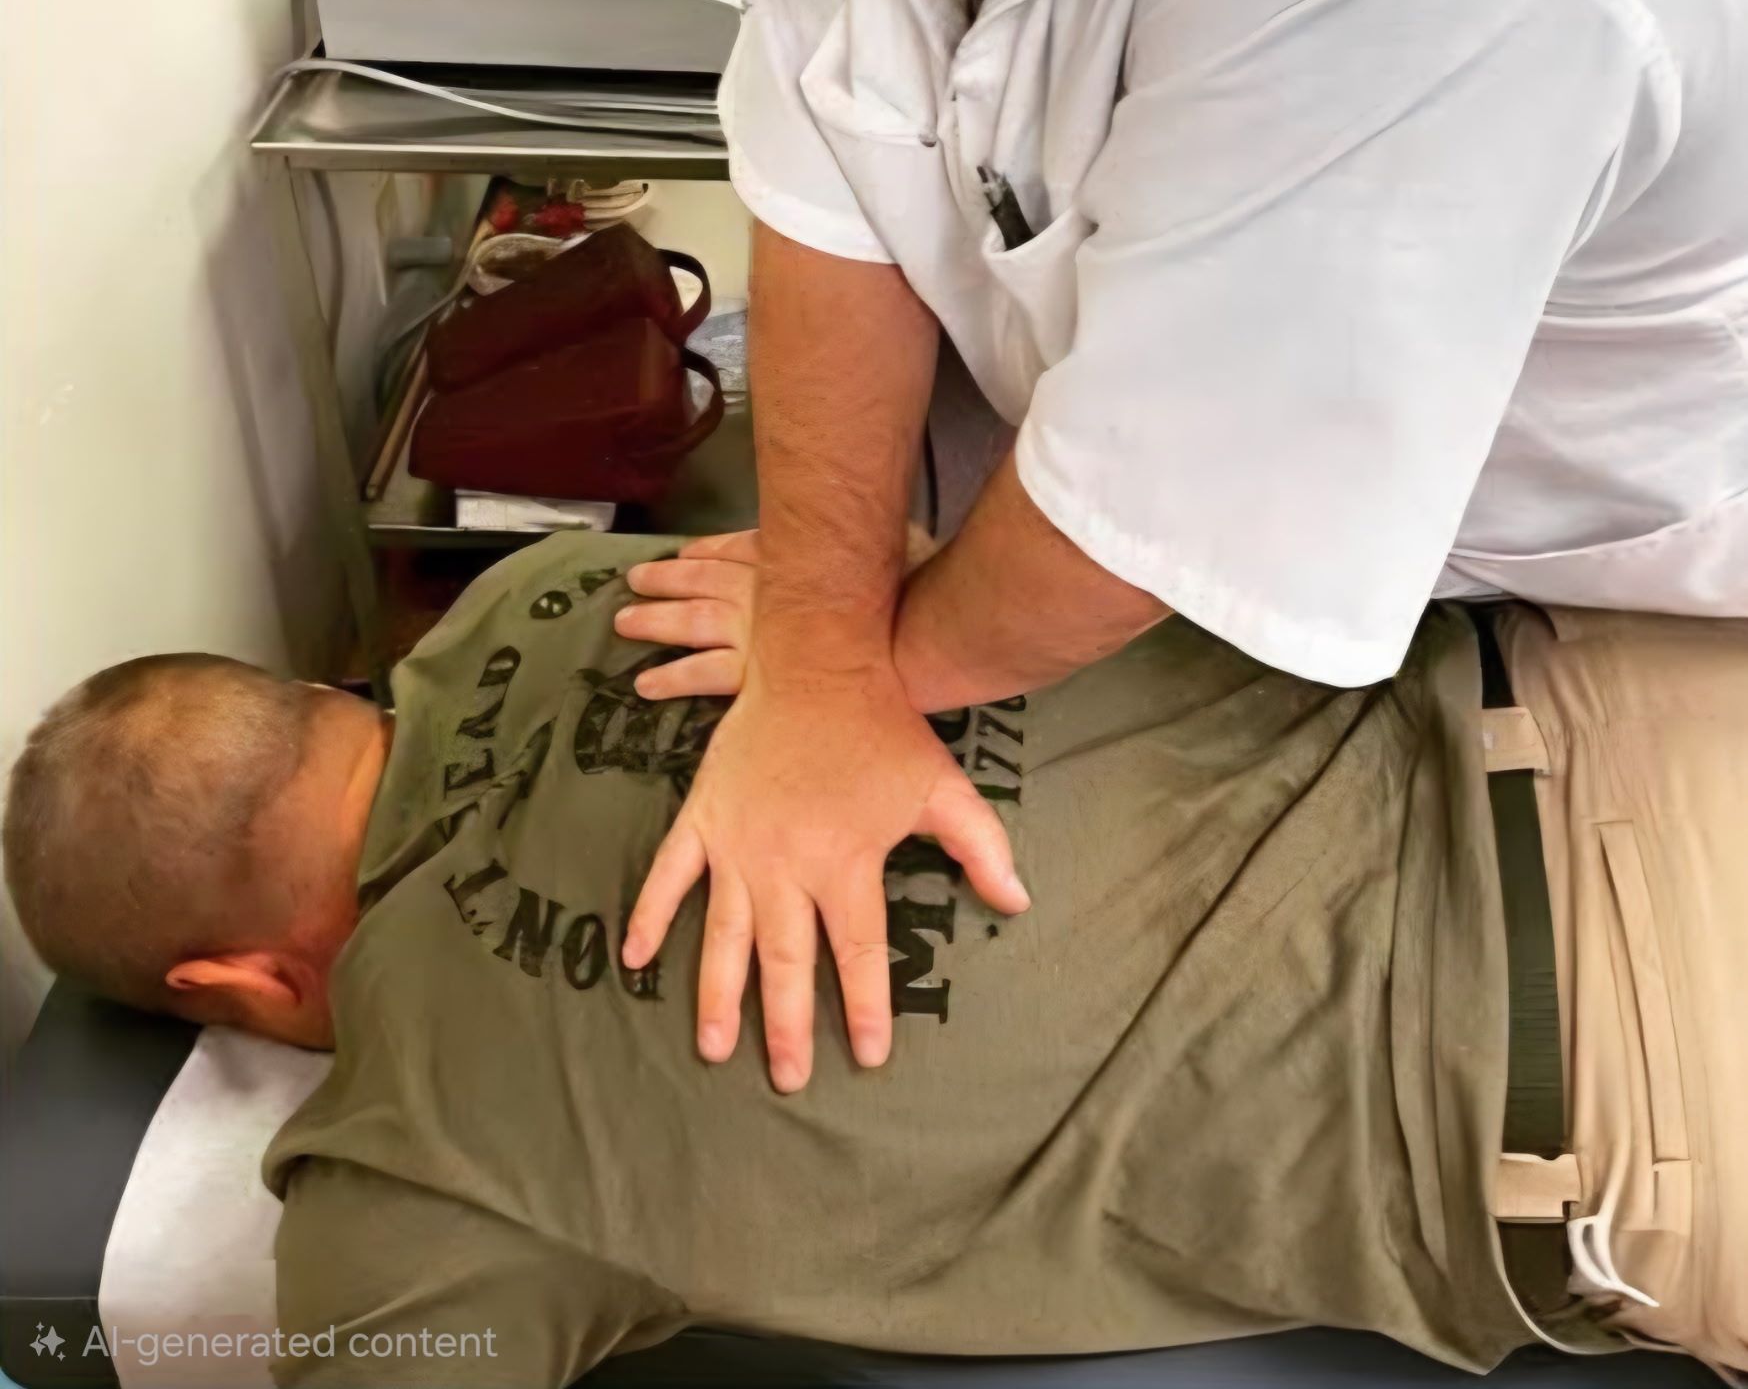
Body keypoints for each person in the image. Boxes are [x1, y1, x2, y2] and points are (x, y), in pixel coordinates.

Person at [414, 0, 1748, 1091]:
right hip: (1165, 478)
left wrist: (869, 666)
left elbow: (1159, 509)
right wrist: (821, 651)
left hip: (1599, 570)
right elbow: (842, 139)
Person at [4, 536, 1744, 1382]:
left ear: (235, 989)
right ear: (319, 698)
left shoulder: (413, 1189)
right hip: (1612, 679)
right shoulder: (569, 579)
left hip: (1639, 1079)